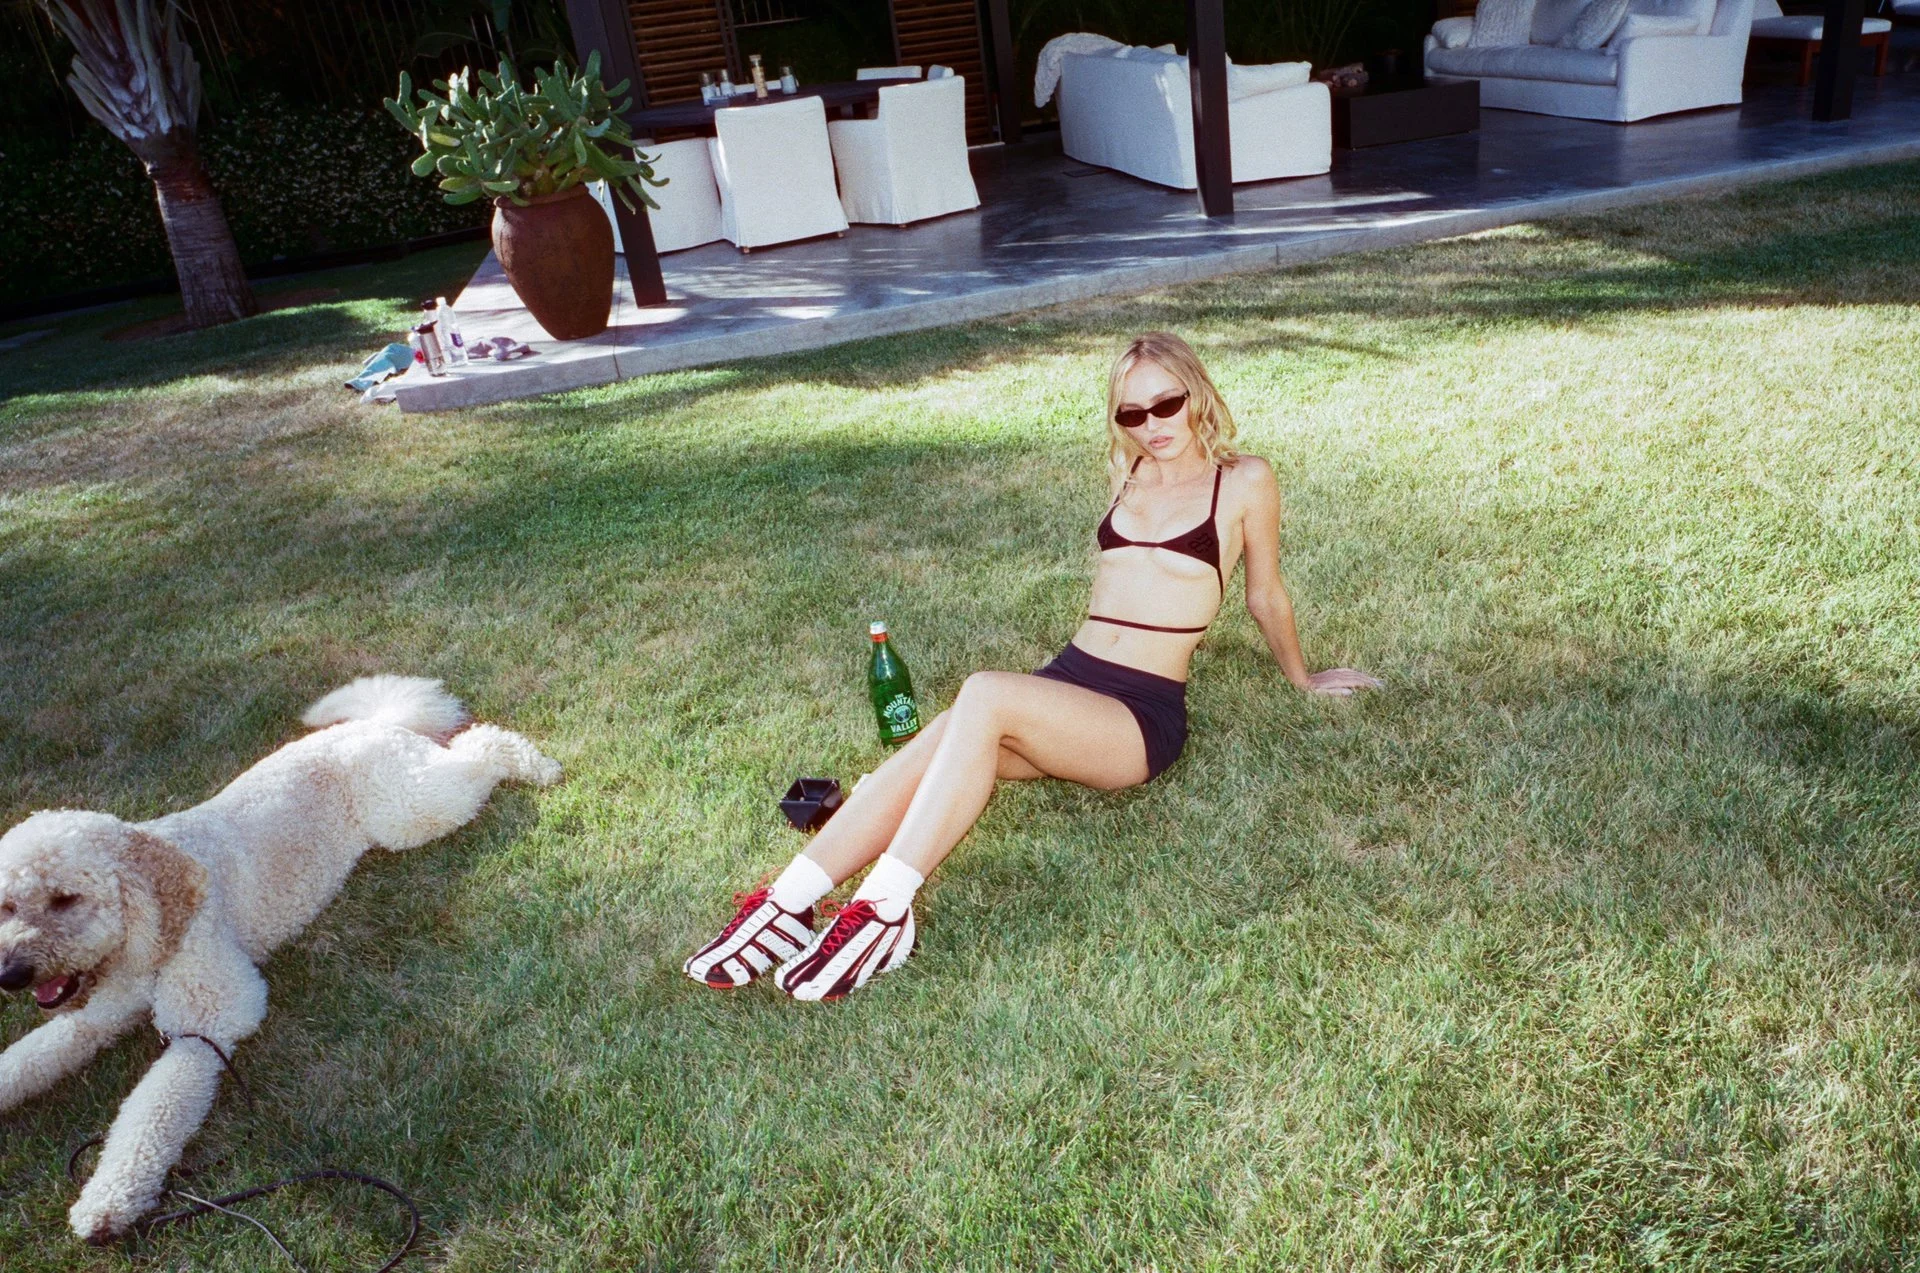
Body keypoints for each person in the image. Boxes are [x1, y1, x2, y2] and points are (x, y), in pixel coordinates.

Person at [684, 331, 1382, 1001]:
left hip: (1139, 715)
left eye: (1166, 404)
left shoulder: (1245, 480)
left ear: (1196, 392)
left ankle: (884, 909)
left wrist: (1302, 677)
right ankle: (785, 904)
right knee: (950, 735)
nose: (1152, 425)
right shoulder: (1128, 471)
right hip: (1067, 681)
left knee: (982, 695)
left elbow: (1265, 594)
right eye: (1132, 414)